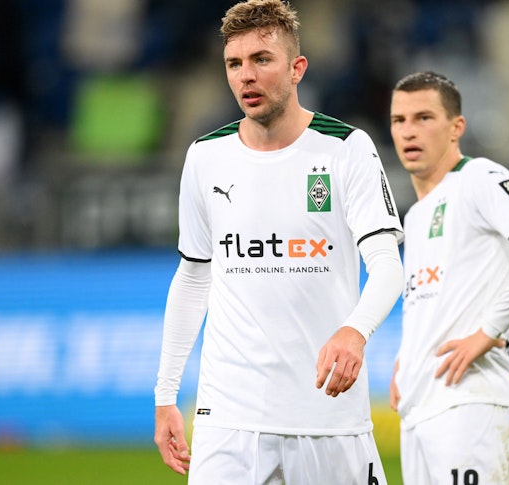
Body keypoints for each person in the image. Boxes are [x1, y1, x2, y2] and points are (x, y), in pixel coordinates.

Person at [153, 1, 404, 483]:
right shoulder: (206, 157)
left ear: (297, 68)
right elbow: (193, 277)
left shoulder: (346, 148)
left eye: (261, 59)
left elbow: (387, 265)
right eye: (234, 63)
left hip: (328, 418)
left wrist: (355, 331)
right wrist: (166, 394)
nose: (246, 75)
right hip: (228, 422)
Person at [388, 71, 509, 485]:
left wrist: (487, 331)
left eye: (424, 118)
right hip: (420, 410)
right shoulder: (415, 216)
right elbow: (435, 295)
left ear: (457, 128)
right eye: (399, 120)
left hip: (469, 406)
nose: (408, 131)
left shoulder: (477, 178)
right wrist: (410, 357)